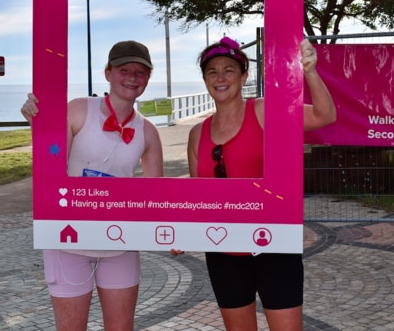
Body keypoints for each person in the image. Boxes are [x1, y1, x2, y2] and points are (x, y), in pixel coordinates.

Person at [185, 36, 336, 331]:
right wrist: (181, 232)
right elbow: (197, 199)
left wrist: (310, 71)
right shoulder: (196, 134)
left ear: (244, 75)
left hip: (275, 246)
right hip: (223, 252)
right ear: (204, 79)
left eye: (229, 69)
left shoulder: (264, 111)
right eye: (212, 71)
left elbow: (324, 115)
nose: (220, 77)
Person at [21, 40, 163, 331]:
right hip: (67, 240)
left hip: (120, 243)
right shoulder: (78, 110)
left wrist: (177, 232)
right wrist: (39, 121)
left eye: (141, 71)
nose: (133, 77)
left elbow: (157, 196)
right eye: (124, 69)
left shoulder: (148, 131)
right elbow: (51, 162)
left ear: (148, 77)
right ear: (108, 72)